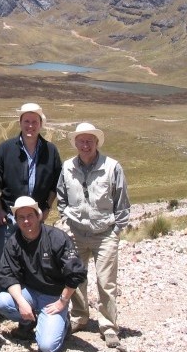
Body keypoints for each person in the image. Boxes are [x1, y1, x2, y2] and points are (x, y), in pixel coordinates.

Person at [56, 122, 131, 349]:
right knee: (76, 277)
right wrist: (67, 220)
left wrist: (116, 230)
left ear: (96, 143)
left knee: (106, 281)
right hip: (76, 232)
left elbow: (122, 202)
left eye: (90, 141)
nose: (85, 145)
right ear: (76, 143)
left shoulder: (112, 167)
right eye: (81, 141)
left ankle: (109, 326)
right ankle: (80, 316)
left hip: (105, 233)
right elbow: (61, 196)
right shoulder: (67, 167)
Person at [0, 103, 62, 309]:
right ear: (20, 123)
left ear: (41, 125)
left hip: (36, 216)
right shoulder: (5, 149)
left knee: (32, 260)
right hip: (10, 214)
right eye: (26, 121)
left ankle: (24, 303)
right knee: (0, 259)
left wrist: (47, 208)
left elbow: (56, 183)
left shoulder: (50, 151)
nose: (30, 126)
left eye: (34, 122)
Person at [0, 196, 87, 352]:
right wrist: (21, 303)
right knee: (2, 302)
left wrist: (63, 301)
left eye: (30, 216)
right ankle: (30, 320)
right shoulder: (14, 241)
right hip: (29, 293)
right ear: (16, 220)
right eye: (21, 217)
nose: (26, 221)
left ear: (38, 215)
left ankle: (63, 324)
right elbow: (7, 273)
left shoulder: (56, 238)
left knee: (46, 346)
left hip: (53, 298)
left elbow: (76, 272)